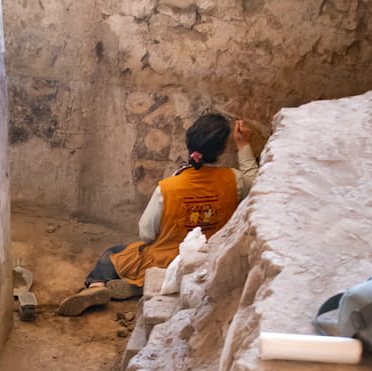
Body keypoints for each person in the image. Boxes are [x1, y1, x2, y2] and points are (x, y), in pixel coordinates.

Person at [58, 113, 259, 316]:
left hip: (166, 260)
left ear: (190, 144)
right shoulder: (235, 180)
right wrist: (243, 145)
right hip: (209, 261)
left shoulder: (169, 186)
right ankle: (145, 286)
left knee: (112, 255)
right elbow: (258, 182)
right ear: (223, 150)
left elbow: (146, 233)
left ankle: (97, 286)